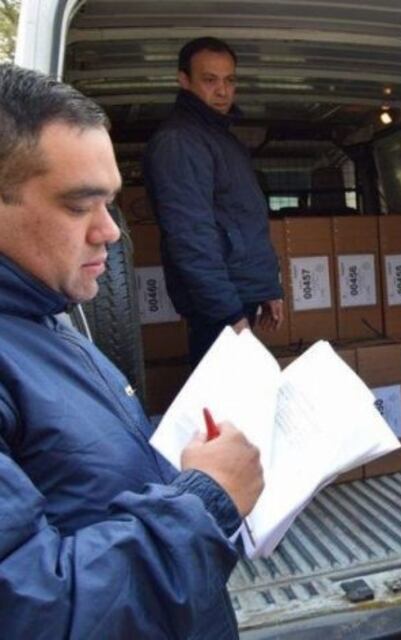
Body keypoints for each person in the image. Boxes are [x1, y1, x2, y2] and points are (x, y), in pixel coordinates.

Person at [0, 64, 263, 638]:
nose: (111, 231)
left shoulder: (45, 316)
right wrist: (209, 498)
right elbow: (35, 613)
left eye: (111, 204)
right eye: (79, 206)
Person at [144, 37, 283, 365]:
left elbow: (245, 222)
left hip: (238, 296)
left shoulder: (222, 139)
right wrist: (228, 313)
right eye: (209, 80)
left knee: (238, 404)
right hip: (219, 306)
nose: (222, 91)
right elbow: (191, 236)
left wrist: (268, 288)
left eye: (229, 80)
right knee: (221, 409)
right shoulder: (180, 141)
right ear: (184, 81)